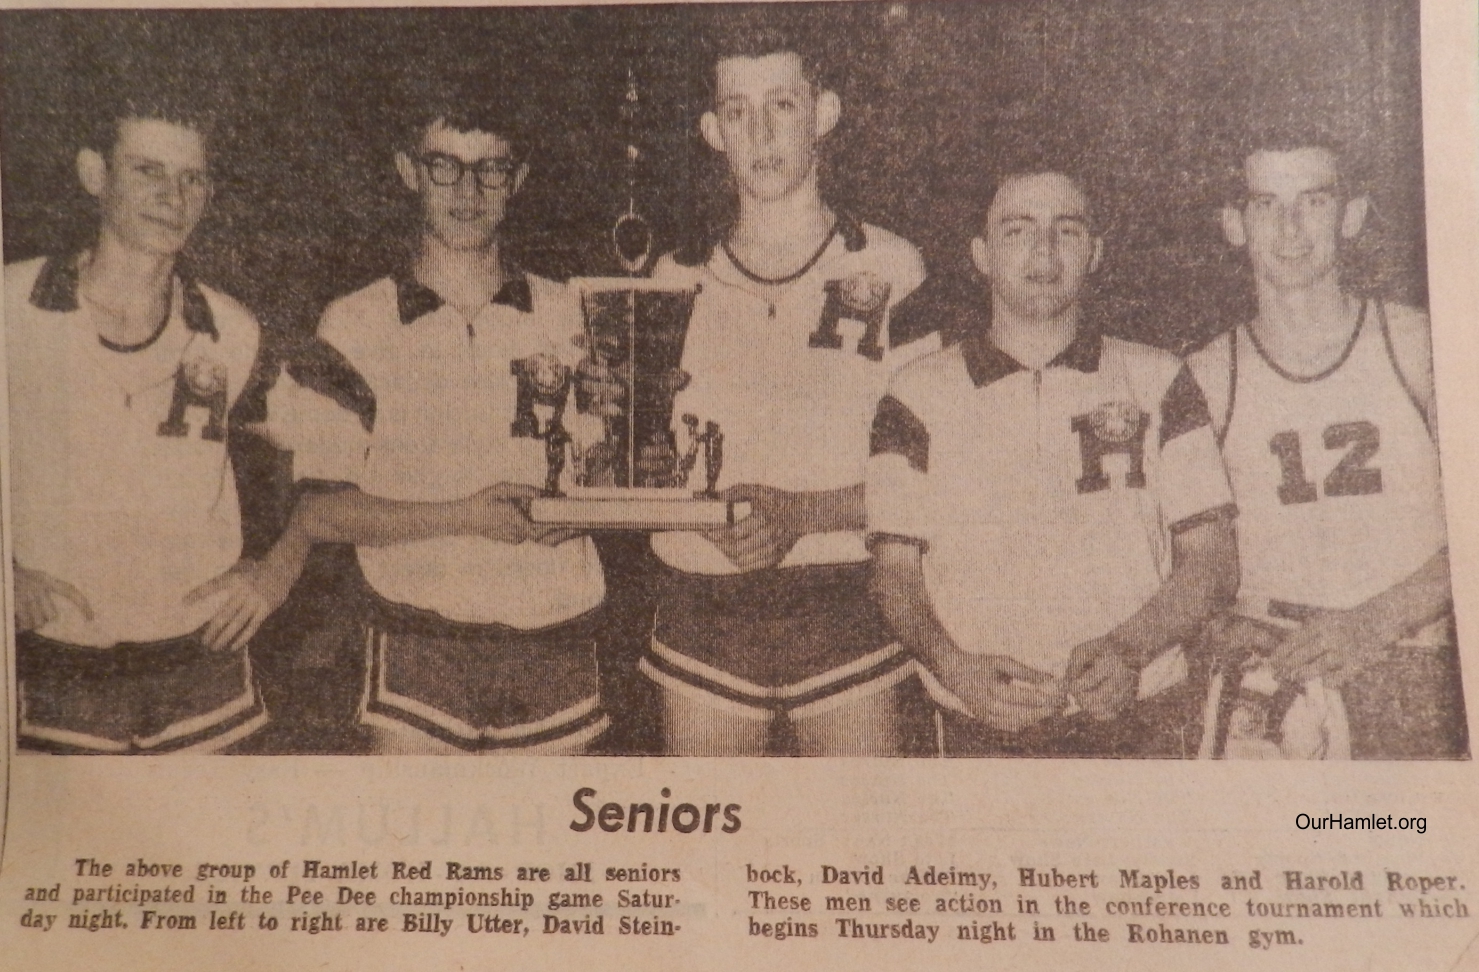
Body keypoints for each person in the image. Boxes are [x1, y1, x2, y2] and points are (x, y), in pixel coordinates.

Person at [259, 76, 608, 754]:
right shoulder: (352, 323)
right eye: (444, 167)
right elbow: (324, 512)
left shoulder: (575, 312)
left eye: (491, 170)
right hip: (415, 643)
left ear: (520, 178)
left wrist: (586, 505)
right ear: (407, 171)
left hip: (559, 633)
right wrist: (464, 516)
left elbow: (604, 470)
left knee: (554, 857)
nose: (468, 193)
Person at [633, 24, 935, 755]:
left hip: (846, 600)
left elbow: (932, 474)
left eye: (782, 105)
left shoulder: (895, 266)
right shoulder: (668, 280)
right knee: (704, 853)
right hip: (700, 602)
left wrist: (802, 512)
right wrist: (693, 508)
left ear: (824, 111)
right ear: (712, 130)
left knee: (852, 852)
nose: (760, 132)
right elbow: (633, 461)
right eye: (737, 111)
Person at [867, 165, 1239, 757]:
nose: (1044, 250)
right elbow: (894, 575)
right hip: (979, 725)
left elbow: (1213, 559)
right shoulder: (914, 394)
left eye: (1066, 230)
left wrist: (1129, 649)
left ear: (1093, 252)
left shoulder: (1160, 377)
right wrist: (954, 667)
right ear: (982, 254)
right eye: (1018, 231)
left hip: (1137, 719)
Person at [6, 88, 275, 753]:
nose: (172, 195)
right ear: (94, 174)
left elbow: (310, 472)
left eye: (192, 178)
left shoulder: (234, 330)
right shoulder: (11, 307)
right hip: (54, 667)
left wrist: (269, 567)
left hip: (204, 672)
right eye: (147, 170)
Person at [1186, 130, 1465, 759]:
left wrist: (1373, 623)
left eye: (1312, 201)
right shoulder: (1206, 375)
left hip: (1409, 664)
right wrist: (1210, 626)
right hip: (1272, 675)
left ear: (1352, 216)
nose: (1290, 229)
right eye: (1266, 204)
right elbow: (1183, 559)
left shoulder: (1417, 344)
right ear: (1235, 224)